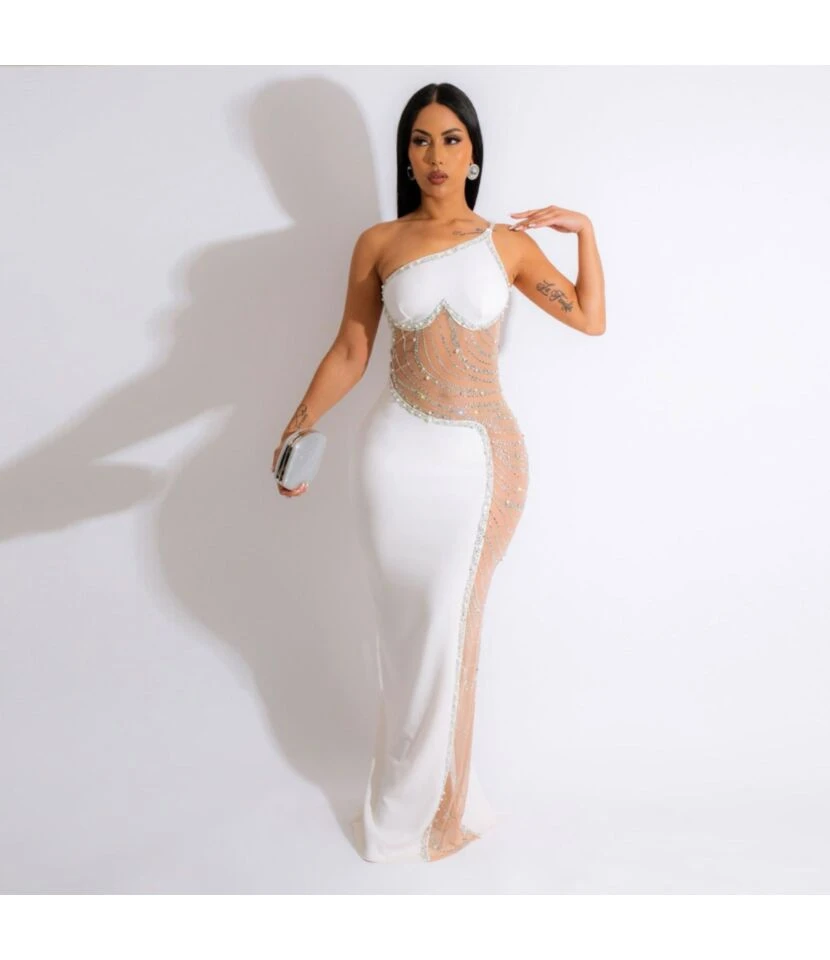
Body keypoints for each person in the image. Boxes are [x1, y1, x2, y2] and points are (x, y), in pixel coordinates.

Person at [271, 82, 606, 862]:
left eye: (451, 139)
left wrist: (585, 230)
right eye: (420, 140)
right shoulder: (379, 243)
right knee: (405, 634)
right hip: (393, 460)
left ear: (475, 154)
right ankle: (404, 800)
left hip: (481, 466)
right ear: (406, 155)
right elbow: (352, 348)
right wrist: (298, 424)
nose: (435, 155)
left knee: (452, 631)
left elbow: (589, 318)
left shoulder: (506, 246)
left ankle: (444, 810)